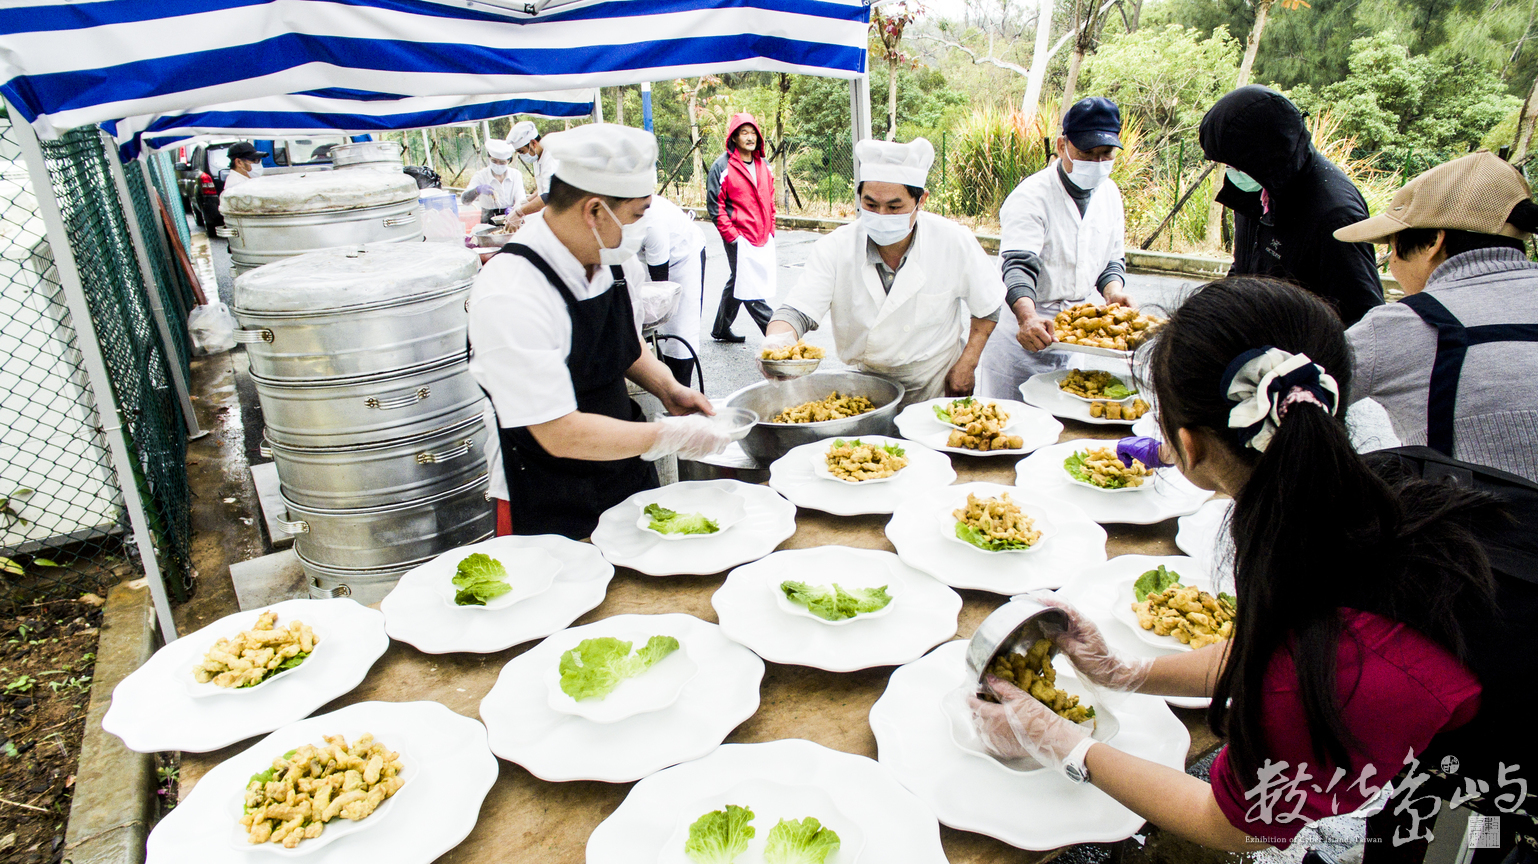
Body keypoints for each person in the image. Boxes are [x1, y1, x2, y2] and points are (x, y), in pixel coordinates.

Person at [969, 277, 1518, 853]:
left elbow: (1233, 823)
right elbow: (1279, 640)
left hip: (1496, 782)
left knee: (1454, 845)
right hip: (1460, 704)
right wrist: (1125, 673)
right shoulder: (1377, 481)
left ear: (1190, 443)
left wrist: (1064, 745)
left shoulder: (1332, 668)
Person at [468, 123, 731, 539]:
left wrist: (668, 388)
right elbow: (558, 432)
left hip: (624, 467)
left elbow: (627, 346)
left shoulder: (614, 258)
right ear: (594, 211)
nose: (643, 227)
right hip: (545, 487)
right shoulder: (511, 293)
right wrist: (668, 436)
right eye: (638, 214)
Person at [1335, 150, 1538, 483]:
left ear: (1433, 241)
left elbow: (1282, 401)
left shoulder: (1399, 326)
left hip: (1469, 532)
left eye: (1391, 246)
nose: (1391, 264)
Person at [763, 137, 1004, 404]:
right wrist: (777, 343)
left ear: (921, 200)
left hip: (934, 384)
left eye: (894, 207)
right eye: (870, 205)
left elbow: (988, 306)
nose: (881, 215)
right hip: (864, 388)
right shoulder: (836, 247)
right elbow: (797, 311)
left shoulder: (952, 241)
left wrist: (967, 364)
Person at [976, 96, 1134, 400]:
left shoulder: (1110, 194)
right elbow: (1018, 266)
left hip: (1073, 332)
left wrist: (1113, 292)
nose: (1098, 164)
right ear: (1062, 146)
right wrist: (1027, 317)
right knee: (1011, 424)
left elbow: (1111, 259)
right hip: (1023, 335)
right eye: (1087, 153)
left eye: (1106, 154)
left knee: (1065, 414)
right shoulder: (1032, 196)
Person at [1199, 85, 1384, 325]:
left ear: (1263, 156)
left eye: (1234, 165)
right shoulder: (1258, 185)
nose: (1230, 172)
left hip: (1306, 353)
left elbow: (1364, 320)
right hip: (1260, 344)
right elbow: (1245, 267)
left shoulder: (1335, 215)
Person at [706, 112, 776, 342]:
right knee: (748, 284)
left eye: (753, 132)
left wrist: (771, 230)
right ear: (734, 138)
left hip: (762, 235)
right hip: (738, 236)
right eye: (744, 133)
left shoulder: (763, 165)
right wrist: (733, 237)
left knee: (738, 279)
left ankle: (720, 329)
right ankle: (777, 332)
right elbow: (715, 206)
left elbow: (770, 199)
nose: (750, 137)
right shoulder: (721, 167)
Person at [639, 193, 708, 388]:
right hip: (642, 256)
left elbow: (661, 290)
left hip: (682, 258)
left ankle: (680, 388)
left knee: (680, 333)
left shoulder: (651, 222)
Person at [459, 138, 525, 225]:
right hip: (487, 221)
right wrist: (476, 191)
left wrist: (515, 210)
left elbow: (521, 199)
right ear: (489, 158)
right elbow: (464, 201)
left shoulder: (516, 175)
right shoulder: (481, 176)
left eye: (502, 162)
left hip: (511, 219)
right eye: (494, 161)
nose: (498, 165)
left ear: (509, 160)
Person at [508, 120, 553, 219]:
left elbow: (549, 195)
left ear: (533, 143)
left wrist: (520, 213)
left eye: (521, 151)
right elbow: (543, 188)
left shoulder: (551, 157)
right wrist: (525, 202)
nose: (521, 155)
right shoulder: (537, 157)